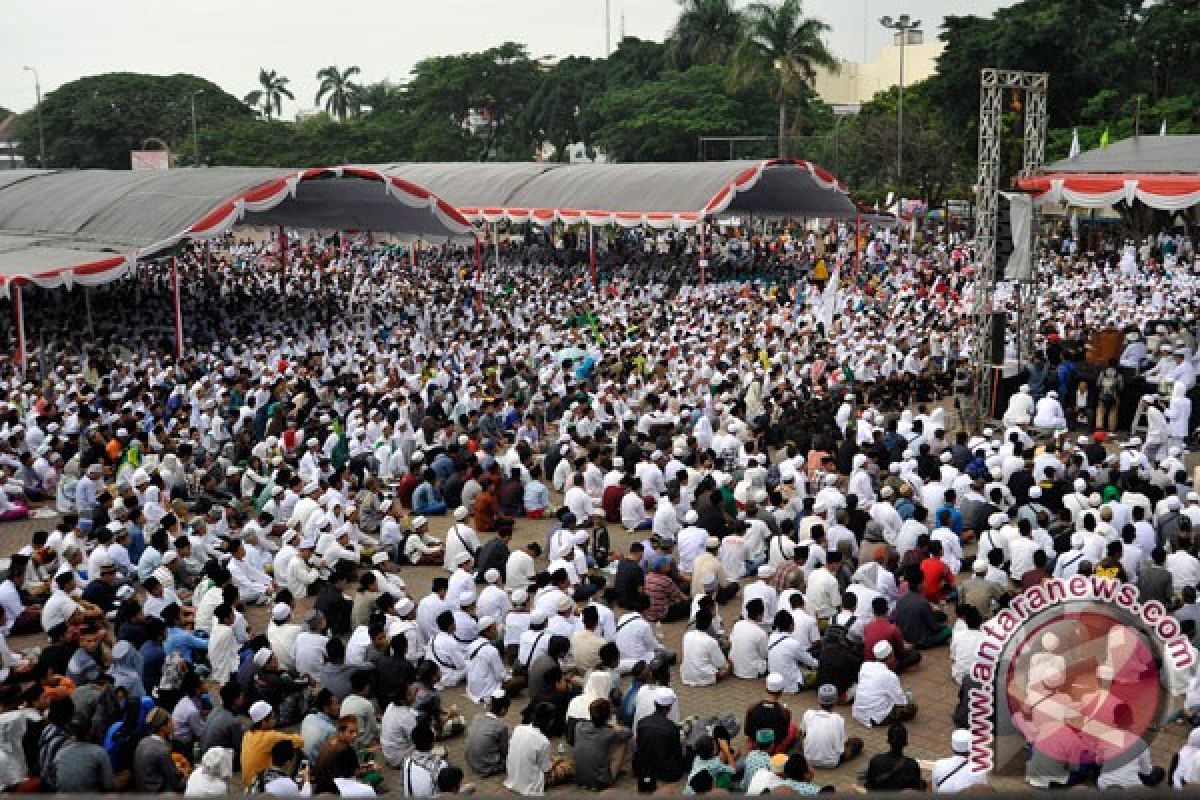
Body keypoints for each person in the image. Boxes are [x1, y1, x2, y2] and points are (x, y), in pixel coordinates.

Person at [505, 701, 572, 795]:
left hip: (512, 777)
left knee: (553, 759)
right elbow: (546, 770)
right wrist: (557, 762)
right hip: (531, 783)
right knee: (567, 766)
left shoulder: (518, 728)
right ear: (550, 721)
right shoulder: (543, 741)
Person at [572, 698, 633, 789]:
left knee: (601, 745)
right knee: (624, 742)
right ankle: (618, 769)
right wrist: (613, 725)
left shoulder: (579, 726)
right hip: (601, 781)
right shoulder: (609, 733)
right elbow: (629, 733)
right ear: (607, 716)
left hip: (579, 778)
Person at [241, 701, 306, 787]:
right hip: (261, 785)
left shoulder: (247, 734)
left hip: (248, 784)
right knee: (299, 751)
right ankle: (292, 783)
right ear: (264, 722)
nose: (275, 720)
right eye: (273, 718)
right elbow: (300, 741)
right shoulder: (270, 736)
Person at [852, 641, 917, 727]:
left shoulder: (865, 665)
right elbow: (902, 702)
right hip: (875, 718)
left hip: (858, 713)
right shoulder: (890, 676)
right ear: (891, 656)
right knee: (912, 707)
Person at [802, 684, 863, 768]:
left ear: (819, 701)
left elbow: (803, 734)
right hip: (831, 763)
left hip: (808, 759)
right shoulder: (838, 719)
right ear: (835, 702)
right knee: (858, 742)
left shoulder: (808, 714)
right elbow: (843, 745)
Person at [633, 687, 685, 785]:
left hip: (643, 769)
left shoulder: (641, 722)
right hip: (667, 773)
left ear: (655, 704)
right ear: (669, 708)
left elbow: (640, 746)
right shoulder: (671, 727)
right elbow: (677, 752)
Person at [133, 707, 186, 793]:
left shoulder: (142, 741)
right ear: (163, 727)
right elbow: (176, 783)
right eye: (170, 721)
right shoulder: (162, 751)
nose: (173, 724)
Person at [863, 724, 926, 790]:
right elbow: (916, 788)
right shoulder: (911, 765)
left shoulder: (876, 760)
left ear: (888, 741)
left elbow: (869, 783)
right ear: (905, 743)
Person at [464, 690, 511, 778]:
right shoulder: (501, 726)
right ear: (503, 709)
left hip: (470, 761)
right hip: (486, 767)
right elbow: (505, 752)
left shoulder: (477, 717)